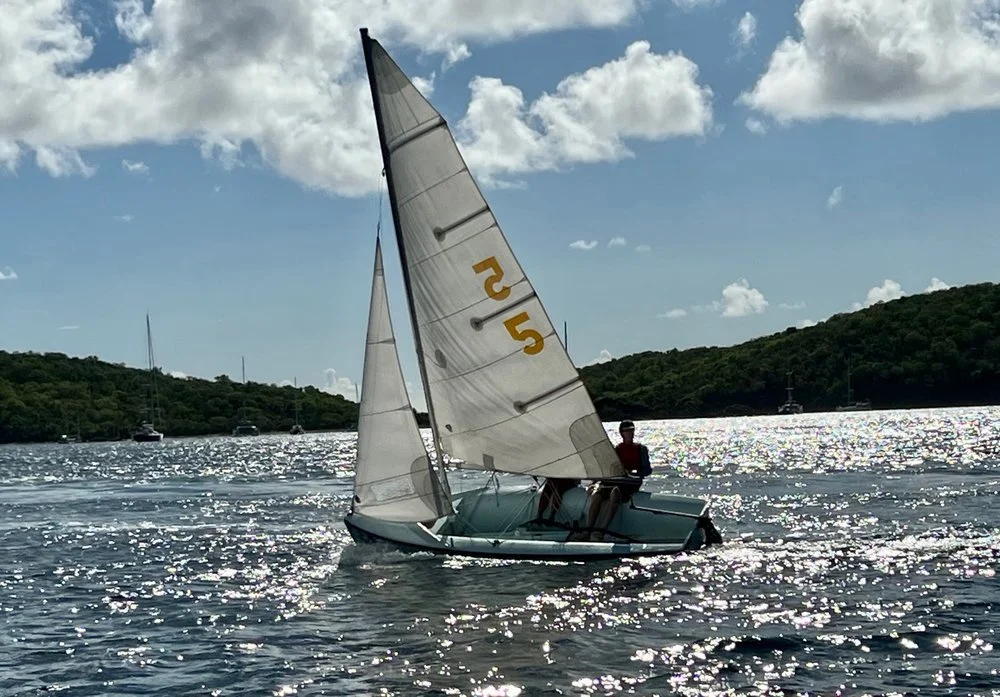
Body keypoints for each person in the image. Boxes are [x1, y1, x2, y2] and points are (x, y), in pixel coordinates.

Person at [580, 420, 651, 541]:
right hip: (618, 480)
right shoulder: (617, 449)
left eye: (631, 431)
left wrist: (633, 472)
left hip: (631, 483)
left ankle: (602, 530)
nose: (630, 434)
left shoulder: (641, 449)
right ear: (621, 434)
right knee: (597, 495)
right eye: (626, 431)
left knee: (615, 493)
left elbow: (647, 470)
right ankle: (588, 529)